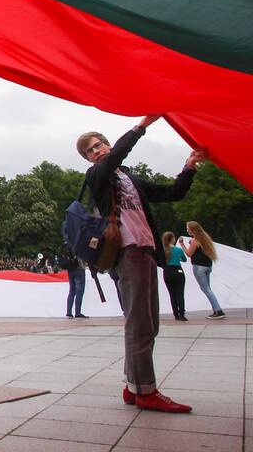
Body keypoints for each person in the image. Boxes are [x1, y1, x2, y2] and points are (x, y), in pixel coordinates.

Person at [77, 115, 204, 413]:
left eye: (99, 145)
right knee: (140, 324)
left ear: (107, 143)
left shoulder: (129, 179)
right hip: (127, 251)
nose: (97, 151)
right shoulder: (96, 176)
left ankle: (133, 386)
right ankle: (145, 391)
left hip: (146, 251)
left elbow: (173, 193)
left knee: (148, 324)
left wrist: (190, 166)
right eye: (90, 151)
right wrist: (141, 125)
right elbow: (115, 157)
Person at [180, 221, 224, 319]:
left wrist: (182, 244)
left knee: (205, 289)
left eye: (187, 228)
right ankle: (215, 310)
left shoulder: (195, 241)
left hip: (198, 267)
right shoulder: (205, 238)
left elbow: (189, 254)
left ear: (192, 229)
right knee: (208, 288)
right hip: (208, 266)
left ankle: (219, 311)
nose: (187, 229)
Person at [161, 232, 187, 321]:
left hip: (167, 272)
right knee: (180, 294)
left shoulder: (162, 250)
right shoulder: (178, 250)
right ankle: (182, 314)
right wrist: (178, 258)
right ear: (172, 239)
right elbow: (185, 259)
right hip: (178, 271)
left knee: (172, 294)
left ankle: (175, 314)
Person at [59, 246, 87, 319]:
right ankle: (77, 313)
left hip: (70, 269)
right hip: (79, 268)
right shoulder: (78, 241)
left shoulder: (67, 243)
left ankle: (69, 312)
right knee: (79, 291)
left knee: (72, 291)